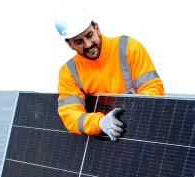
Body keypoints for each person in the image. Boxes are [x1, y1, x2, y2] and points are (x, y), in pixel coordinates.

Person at [53, 0, 165, 141]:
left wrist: (129, 115)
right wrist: (99, 122)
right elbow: (70, 113)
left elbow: (153, 89)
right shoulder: (69, 72)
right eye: (78, 41)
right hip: (104, 144)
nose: (88, 45)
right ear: (69, 44)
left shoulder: (128, 47)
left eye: (89, 35)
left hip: (142, 132)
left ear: (97, 28)